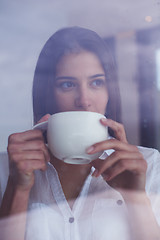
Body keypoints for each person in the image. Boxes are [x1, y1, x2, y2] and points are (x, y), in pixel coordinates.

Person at [0, 26, 160, 240]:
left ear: (109, 93)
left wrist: (136, 197)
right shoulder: (8, 168)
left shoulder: (148, 163)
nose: (84, 100)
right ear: (48, 95)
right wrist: (18, 189)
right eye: (67, 84)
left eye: (96, 82)